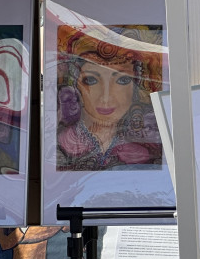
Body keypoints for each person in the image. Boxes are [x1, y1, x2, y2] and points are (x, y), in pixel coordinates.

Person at [56, 27, 164, 171]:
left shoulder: (143, 152)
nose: (106, 98)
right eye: (91, 80)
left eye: (123, 80)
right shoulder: (60, 146)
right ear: (76, 85)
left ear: (136, 87)